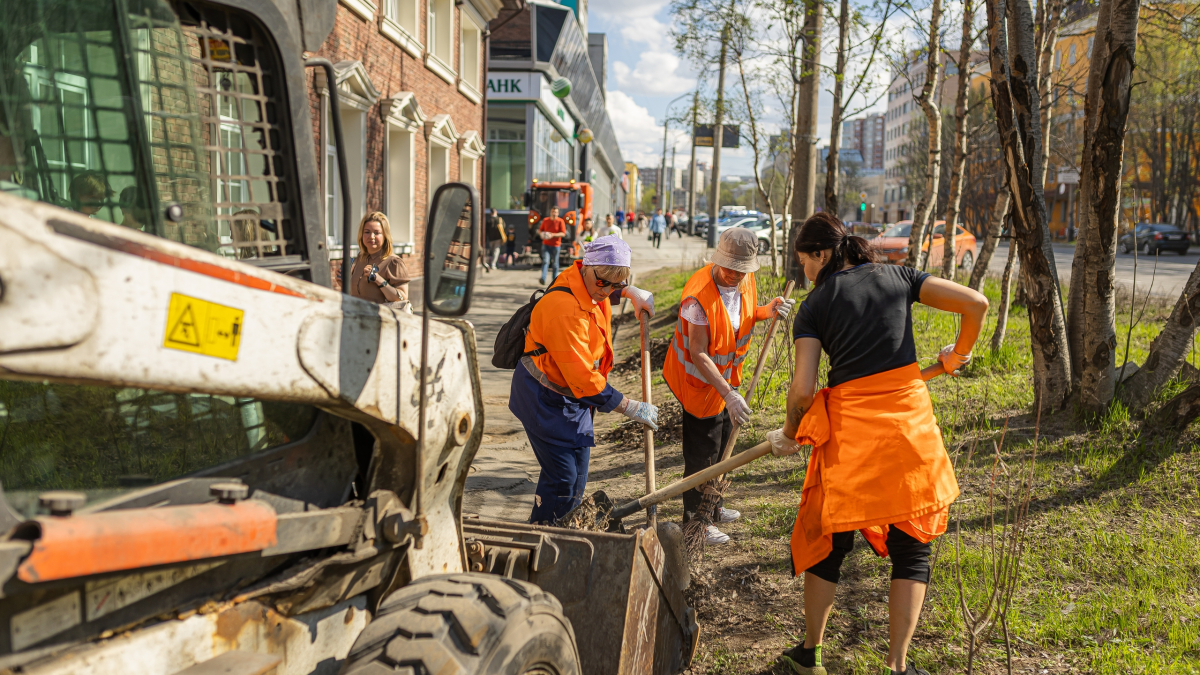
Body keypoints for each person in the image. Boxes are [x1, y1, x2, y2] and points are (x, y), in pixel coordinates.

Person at [770, 212, 987, 675]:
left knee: (831, 541)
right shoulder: (900, 277)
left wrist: (789, 434)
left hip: (853, 438)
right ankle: (898, 666)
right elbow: (976, 303)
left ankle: (810, 654)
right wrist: (958, 354)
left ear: (820, 254)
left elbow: (803, 391)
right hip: (910, 429)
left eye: (804, 262)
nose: (804, 272)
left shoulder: (814, 306)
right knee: (913, 548)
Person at [509, 236, 659, 523]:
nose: (606, 291)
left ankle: (561, 531)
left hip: (572, 397)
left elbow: (604, 286)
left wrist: (629, 292)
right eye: (603, 282)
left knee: (577, 476)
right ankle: (544, 534)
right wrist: (628, 406)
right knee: (563, 480)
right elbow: (582, 377)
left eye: (615, 284)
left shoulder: (588, 283)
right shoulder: (564, 310)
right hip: (544, 398)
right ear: (587, 267)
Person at [663, 228, 794, 545]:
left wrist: (768, 310)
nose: (735, 275)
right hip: (699, 384)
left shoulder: (745, 279)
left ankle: (714, 506)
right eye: (730, 268)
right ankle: (696, 520)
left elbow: (743, 316)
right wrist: (729, 395)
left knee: (723, 445)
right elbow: (698, 352)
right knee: (702, 454)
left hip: (726, 382)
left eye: (741, 269)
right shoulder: (698, 298)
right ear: (718, 260)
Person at [347, 211, 411, 307]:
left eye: (377, 233)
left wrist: (378, 279)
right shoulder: (360, 258)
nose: (371, 237)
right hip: (356, 314)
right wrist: (343, 283)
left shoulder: (394, 262)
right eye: (367, 232)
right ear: (361, 234)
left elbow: (402, 298)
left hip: (380, 315)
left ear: (385, 236)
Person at [538, 206, 567, 286]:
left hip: (556, 245)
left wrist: (553, 235)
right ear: (550, 212)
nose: (554, 213)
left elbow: (563, 233)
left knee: (555, 263)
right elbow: (540, 230)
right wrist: (542, 235)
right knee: (545, 261)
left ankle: (554, 281)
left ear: (558, 213)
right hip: (546, 244)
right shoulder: (545, 220)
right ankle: (543, 278)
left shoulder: (560, 221)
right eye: (553, 212)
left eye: (556, 212)